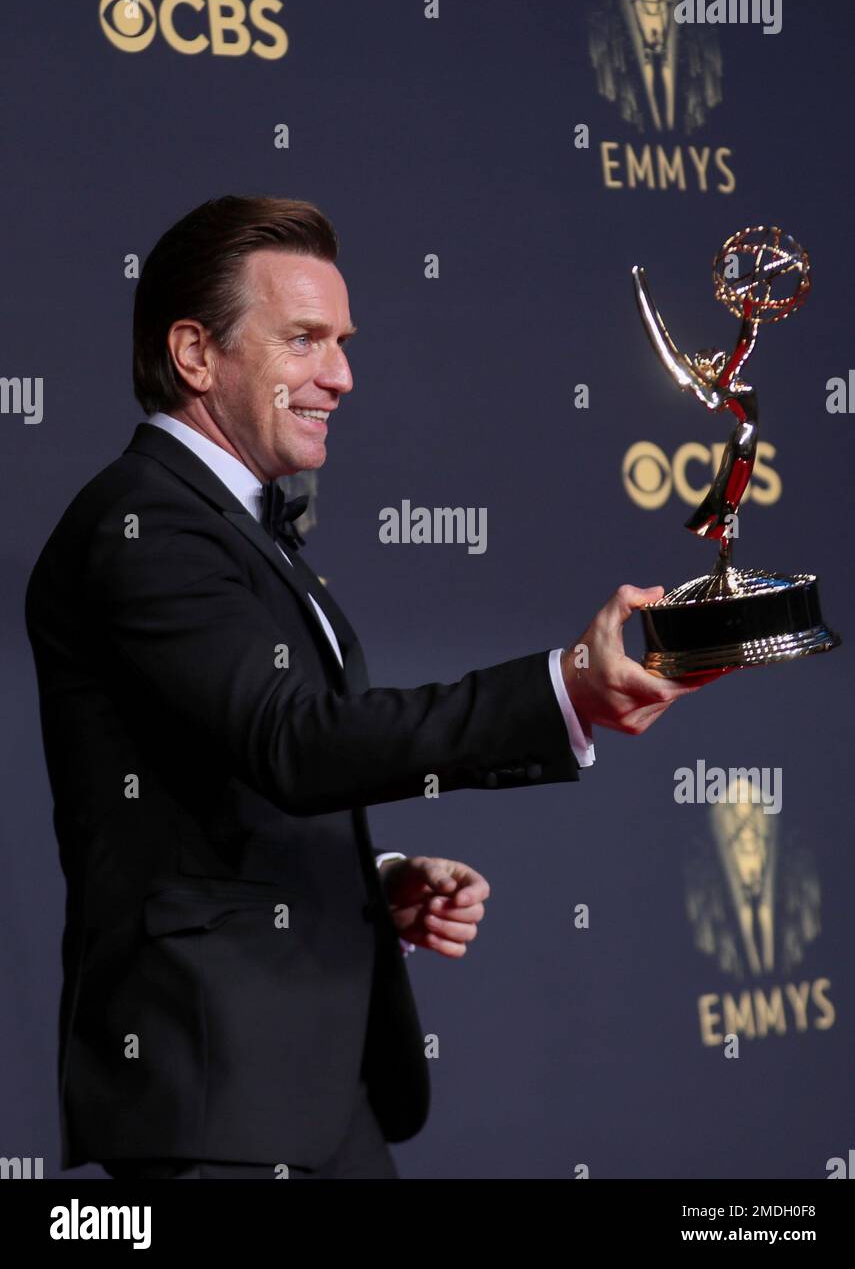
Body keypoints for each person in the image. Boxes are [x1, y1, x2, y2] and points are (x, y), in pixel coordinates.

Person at [25, 195, 722, 1179]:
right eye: (304, 338)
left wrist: (365, 881)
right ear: (194, 354)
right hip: (214, 1102)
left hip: (314, 1093)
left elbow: (228, 781)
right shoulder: (145, 527)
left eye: (341, 341)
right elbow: (297, 743)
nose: (341, 375)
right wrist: (558, 688)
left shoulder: (235, 525)